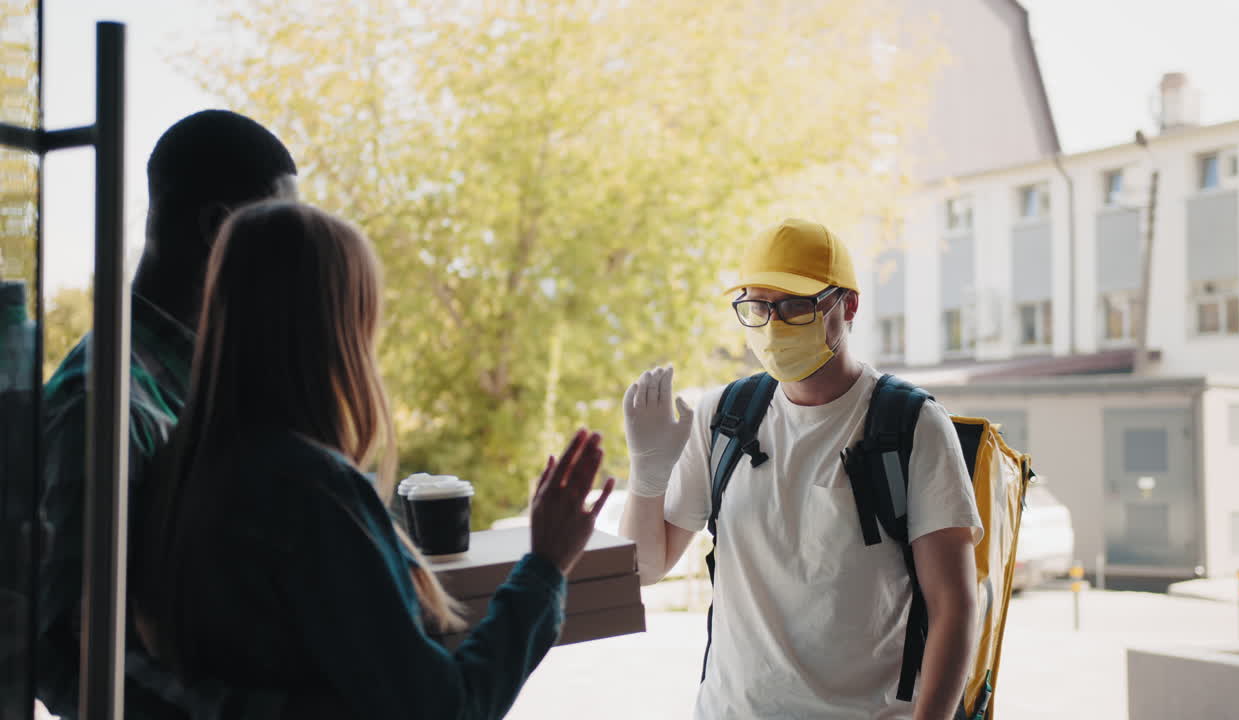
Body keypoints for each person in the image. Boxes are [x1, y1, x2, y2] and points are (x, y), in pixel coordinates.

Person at [132, 200, 612, 718]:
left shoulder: (178, 471)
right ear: (335, 329)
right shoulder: (312, 493)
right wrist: (545, 565)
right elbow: (446, 710)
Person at [620, 218, 983, 720]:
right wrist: (647, 475)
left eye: (794, 305)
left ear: (848, 304)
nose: (772, 325)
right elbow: (646, 567)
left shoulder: (910, 426)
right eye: (757, 306)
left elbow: (956, 606)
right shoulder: (723, 417)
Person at [38, 110, 303, 718]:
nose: (296, 257)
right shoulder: (105, 406)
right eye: (281, 229)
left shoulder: (208, 384)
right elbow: (70, 657)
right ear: (218, 230)